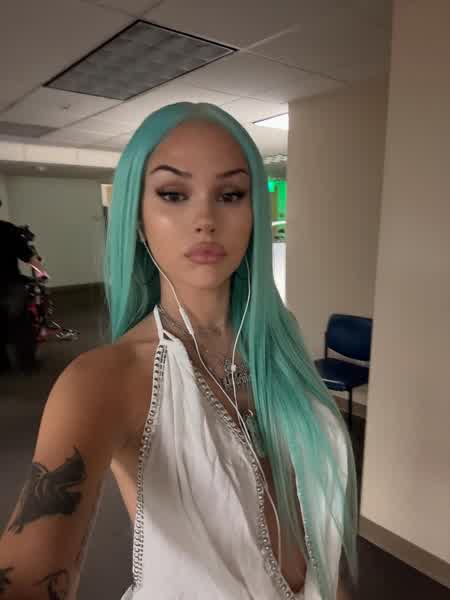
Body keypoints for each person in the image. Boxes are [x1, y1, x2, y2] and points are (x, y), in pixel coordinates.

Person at [0, 103, 358, 599]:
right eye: (173, 194)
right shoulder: (104, 379)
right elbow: (30, 568)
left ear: (254, 214)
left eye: (230, 195)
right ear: (138, 218)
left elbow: (315, 520)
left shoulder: (282, 338)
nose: (205, 219)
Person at [0, 215, 44, 372]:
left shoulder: (8, 229)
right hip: (12, 284)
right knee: (21, 325)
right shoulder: (7, 229)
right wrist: (41, 272)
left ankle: (3, 366)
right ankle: (27, 364)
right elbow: (27, 255)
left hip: (11, 285)